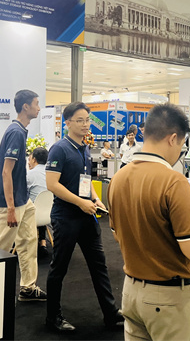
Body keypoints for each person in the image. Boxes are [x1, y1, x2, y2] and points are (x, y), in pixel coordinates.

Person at [108, 103, 190, 341]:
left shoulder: (118, 178)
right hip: (169, 298)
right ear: (173, 139)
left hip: (131, 293)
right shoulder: (173, 181)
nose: (180, 151)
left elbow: (117, 234)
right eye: (181, 144)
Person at [45, 101, 123, 333]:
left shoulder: (85, 148)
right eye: (80, 120)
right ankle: (53, 317)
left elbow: (85, 181)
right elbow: (52, 184)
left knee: (99, 266)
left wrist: (96, 198)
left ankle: (111, 313)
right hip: (66, 217)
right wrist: (80, 202)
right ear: (68, 123)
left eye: (87, 120)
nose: (85, 124)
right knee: (59, 268)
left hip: (87, 217)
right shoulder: (59, 149)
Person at [0, 89, 46, 302]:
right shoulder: (15, 132)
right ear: (26, 106)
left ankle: (28, 287)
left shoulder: (20, 131)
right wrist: (11, 208)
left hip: (23, 199)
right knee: (0, 248)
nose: (39, 108)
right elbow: (6, 172)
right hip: (11, 202)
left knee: (29, 241)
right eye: (36, 103)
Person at [27, 147, 50, 258]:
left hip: (33, 215)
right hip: (50, 214)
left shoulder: (29, 175)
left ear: (34, 159)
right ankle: (43, 242)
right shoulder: (52, 174)